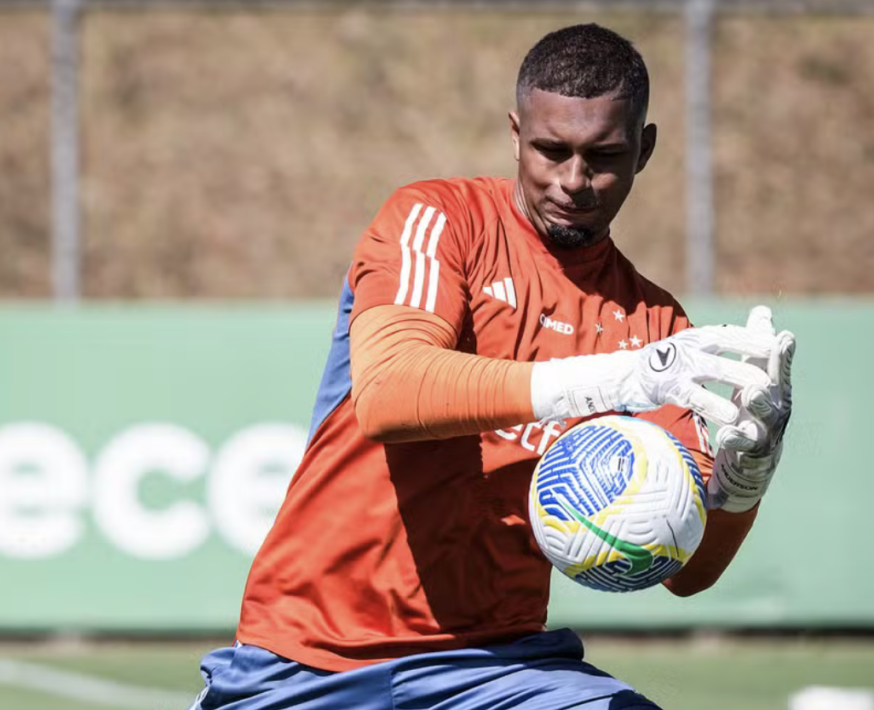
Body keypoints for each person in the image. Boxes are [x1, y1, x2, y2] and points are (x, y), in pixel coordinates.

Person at [193, 22, 795, 710]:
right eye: (550, 150)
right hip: (307, 655)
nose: (574, 181)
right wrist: (619, 378)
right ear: (515, 134)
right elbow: (388, 392)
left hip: (494, 665)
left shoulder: (655, 327)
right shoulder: (438, 220)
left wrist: (742, 483)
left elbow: (685, 574)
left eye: (604, 156)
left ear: (645, 149)